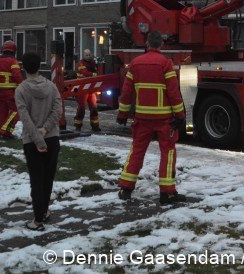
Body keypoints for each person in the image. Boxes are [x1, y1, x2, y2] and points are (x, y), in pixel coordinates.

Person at [117, 30, 187, 204]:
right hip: (164, 120)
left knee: (137, 151)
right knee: (168, 153)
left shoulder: (135, 63)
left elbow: (126, 92)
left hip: (142, 119)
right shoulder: (165, 63)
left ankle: (126, 188)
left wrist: (123, 113)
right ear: (161, 44)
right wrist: (180, 115)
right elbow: (173, 92)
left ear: (147, 44)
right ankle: (167, 193)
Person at [15, 51, 63, 231]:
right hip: (52, 139)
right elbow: (58, 111)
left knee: (36, 180)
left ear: (23, 67)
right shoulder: (51, 86)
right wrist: (46, 130)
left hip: (32, 142)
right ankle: (44, 211)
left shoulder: (21, 90)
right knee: (48, 178)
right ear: (40, 65)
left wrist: (37, 138)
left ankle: (37, 220)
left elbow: (25, 118)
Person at [0, 40, 23, 139]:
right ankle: (6, 131)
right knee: (16, 110)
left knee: (3, 111)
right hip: (10, 92)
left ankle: (2, 129)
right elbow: (17, 75)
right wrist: (23, 86)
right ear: (14, 51)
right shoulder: (13, 61)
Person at [74, 49, 101, 132]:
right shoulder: (80, 63)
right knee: (81, 107)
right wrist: (94, 74)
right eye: (87, 55)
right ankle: (78, 126)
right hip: (82, 89)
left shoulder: (92, 62)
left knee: (93, 107)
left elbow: (97, 70)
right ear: (84, 55)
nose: (88, 57)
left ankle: (95, 126)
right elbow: (84, 72)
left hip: (91, 89)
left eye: (89, 55)